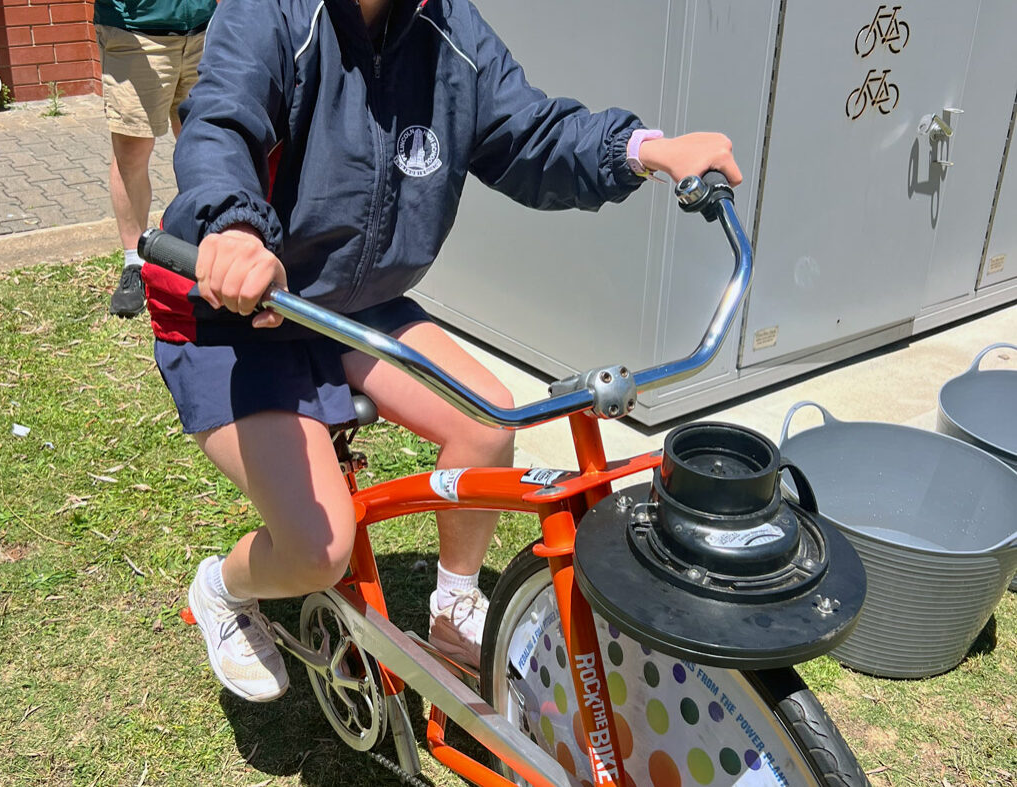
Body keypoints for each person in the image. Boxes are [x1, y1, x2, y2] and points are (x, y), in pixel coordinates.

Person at [143, 0, 742, 702]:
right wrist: (233, 227)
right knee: (317, 550)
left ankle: (454, 608)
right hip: (241, 308)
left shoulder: (447, 26)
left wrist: (642, 150)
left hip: (353, 302)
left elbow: (530, 131)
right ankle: (222, 586)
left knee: (488, 419)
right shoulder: (272, 12)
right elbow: (221, 122)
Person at [94, 0, 215, 317]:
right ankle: (135, 260)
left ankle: (211, 243)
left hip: (205, 26)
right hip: (138, 33)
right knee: (131, 153)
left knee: (209, 145)